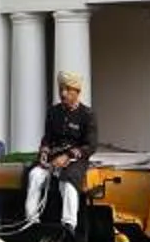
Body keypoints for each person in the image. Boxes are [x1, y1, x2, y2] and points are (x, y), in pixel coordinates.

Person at [24, 72, 97, 232]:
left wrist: (68, 156)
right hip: (52, 158)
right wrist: (44, 152)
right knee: (34, 175)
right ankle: (31, 221)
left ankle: (68, 225)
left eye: (68, 90)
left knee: (68, 182)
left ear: (77, 92)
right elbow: (47, 138)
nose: (63, 93)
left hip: (75, 160)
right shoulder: (53, 112)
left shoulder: (87, 115)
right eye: (61, 89)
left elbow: (91, 146)